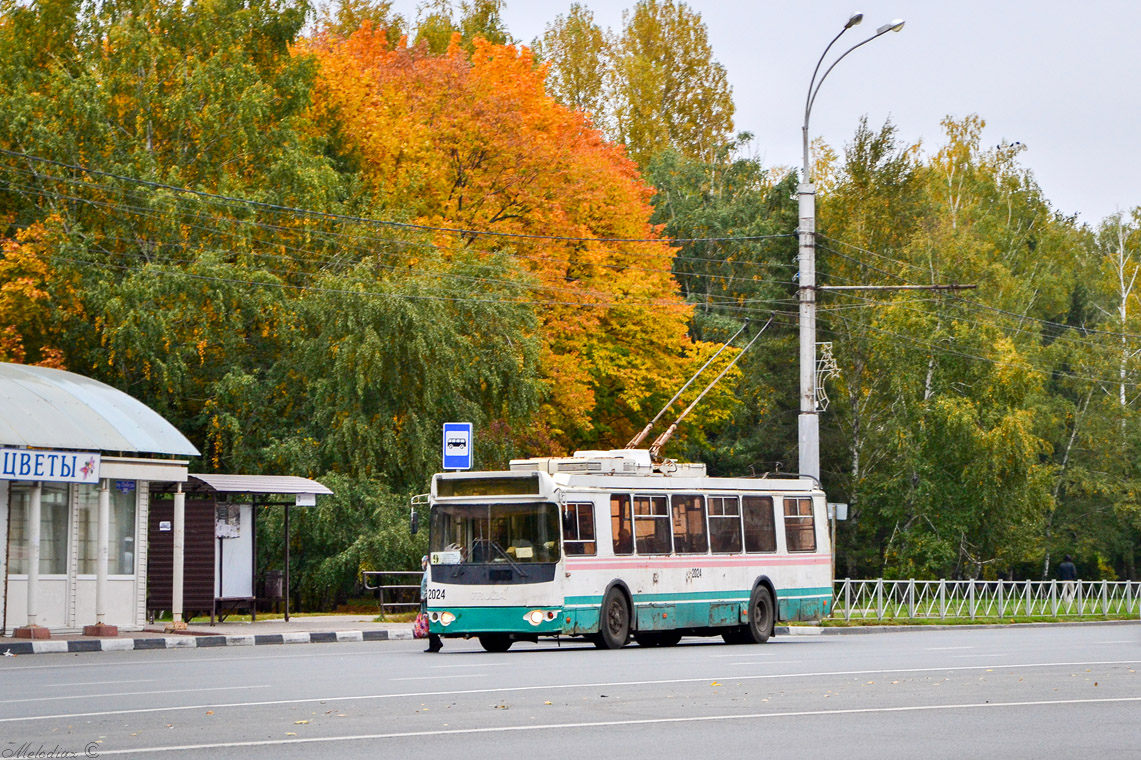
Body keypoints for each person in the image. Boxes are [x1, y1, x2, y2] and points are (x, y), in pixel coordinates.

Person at [420, 555, 442, 653]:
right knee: (428, 622)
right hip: (427, 599)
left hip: (427, 600)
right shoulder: (428, 571)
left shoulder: (428, 571)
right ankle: (433, 644)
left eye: (423, 562)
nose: (422, 564)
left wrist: (423, 597)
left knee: (428, 622)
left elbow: (425, 584)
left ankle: (435, 643)